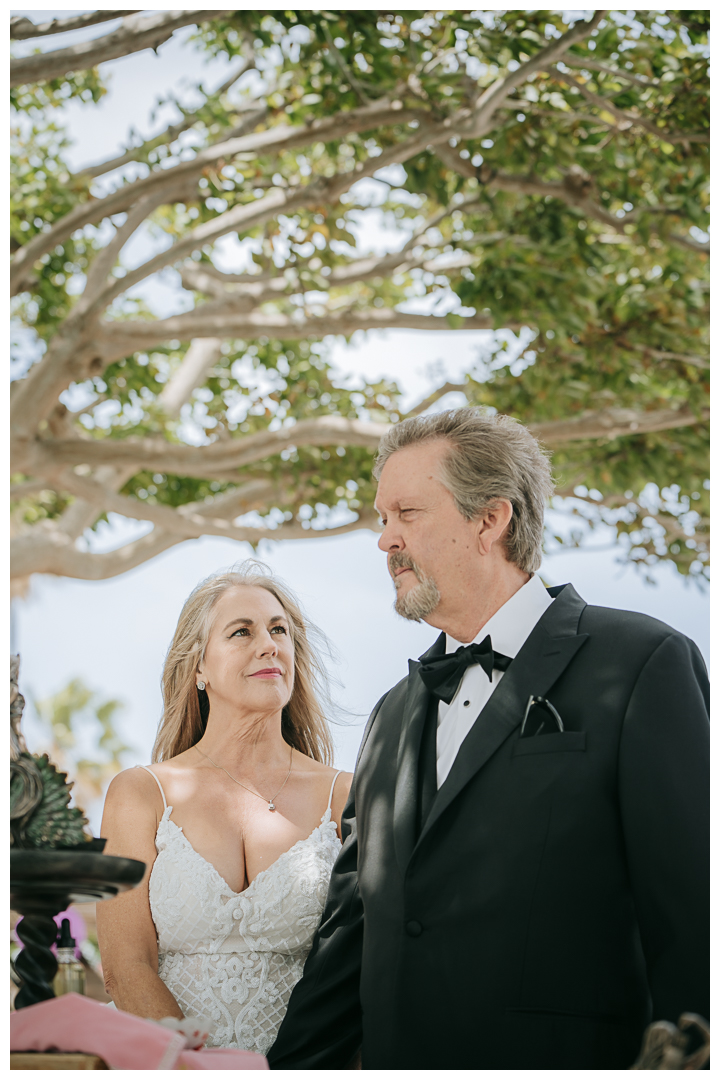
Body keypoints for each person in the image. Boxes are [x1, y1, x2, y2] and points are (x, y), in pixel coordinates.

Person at [268, 408, 709, 1071]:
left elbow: (696, 924)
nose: (385, 540)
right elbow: (352, 934)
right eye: (382, 518)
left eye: (406, 513)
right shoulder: (391, 714)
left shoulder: (643, 662)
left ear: (489, 519)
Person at [96, 564, 351, 1054]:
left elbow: (364, 965)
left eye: (279, 630)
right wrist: (202, 1069)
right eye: (242, 632)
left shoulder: (345, 796)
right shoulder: (140, 794)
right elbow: (125, 967)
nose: (269, 644)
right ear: (198, 668)